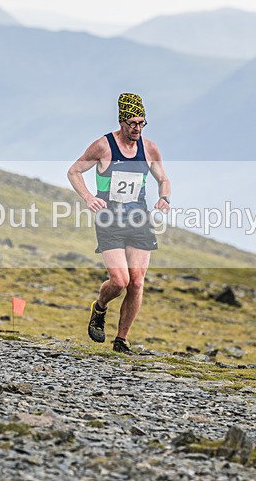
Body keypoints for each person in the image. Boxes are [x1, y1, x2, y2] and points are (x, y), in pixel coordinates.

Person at [67, 93, 171, 354]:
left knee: (137, 282)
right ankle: (100, 306)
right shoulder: (103, 146)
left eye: (142, 123)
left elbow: (163, 179)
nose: (137, 128)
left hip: (139, 220)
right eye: (133, 123)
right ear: (122, 121)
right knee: (120, 281)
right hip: (109, 219)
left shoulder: (149, 148)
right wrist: (89, 197)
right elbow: (74, 171)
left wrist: (164, 198)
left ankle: (121, 340)